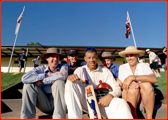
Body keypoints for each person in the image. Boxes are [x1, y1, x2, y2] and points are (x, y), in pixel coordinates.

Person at [65, 47, 133, 119]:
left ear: (96, 57)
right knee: (70, 83)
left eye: (93, 57)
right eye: (89, 58)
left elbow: (116, 88)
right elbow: (73, 89)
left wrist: (110, 96)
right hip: (86, 102)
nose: (91, 60)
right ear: (85, 59)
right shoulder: (79, 70)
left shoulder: (105, 71)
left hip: (102, 103)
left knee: (121, 103)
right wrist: (70, 78)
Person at [20, 48, 68, 119]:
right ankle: (26, 117)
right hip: (44, 102)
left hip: (60, 102)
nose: (55, 59)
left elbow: (62, 76)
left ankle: (59, 117)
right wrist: (47, 75)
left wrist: (43, 81)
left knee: (59, 82)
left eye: (57, 57)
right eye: (53, 57)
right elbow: (24, 78)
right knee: (28, 85)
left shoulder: (63, 67)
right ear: (47, 58)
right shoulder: (40, 69)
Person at [118, 46, 157, 119]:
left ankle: (149, 117)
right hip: (130, 95)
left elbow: (154, 79)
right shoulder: (122, 67)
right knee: (132, 89)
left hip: (144, 96)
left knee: (147, 85)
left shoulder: (144, 65)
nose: (129, 58)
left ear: (137, 56)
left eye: (132, 55)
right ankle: (133, 116)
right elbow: (123, 85)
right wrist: (130, 83)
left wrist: (133, 77)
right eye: (127, 56)